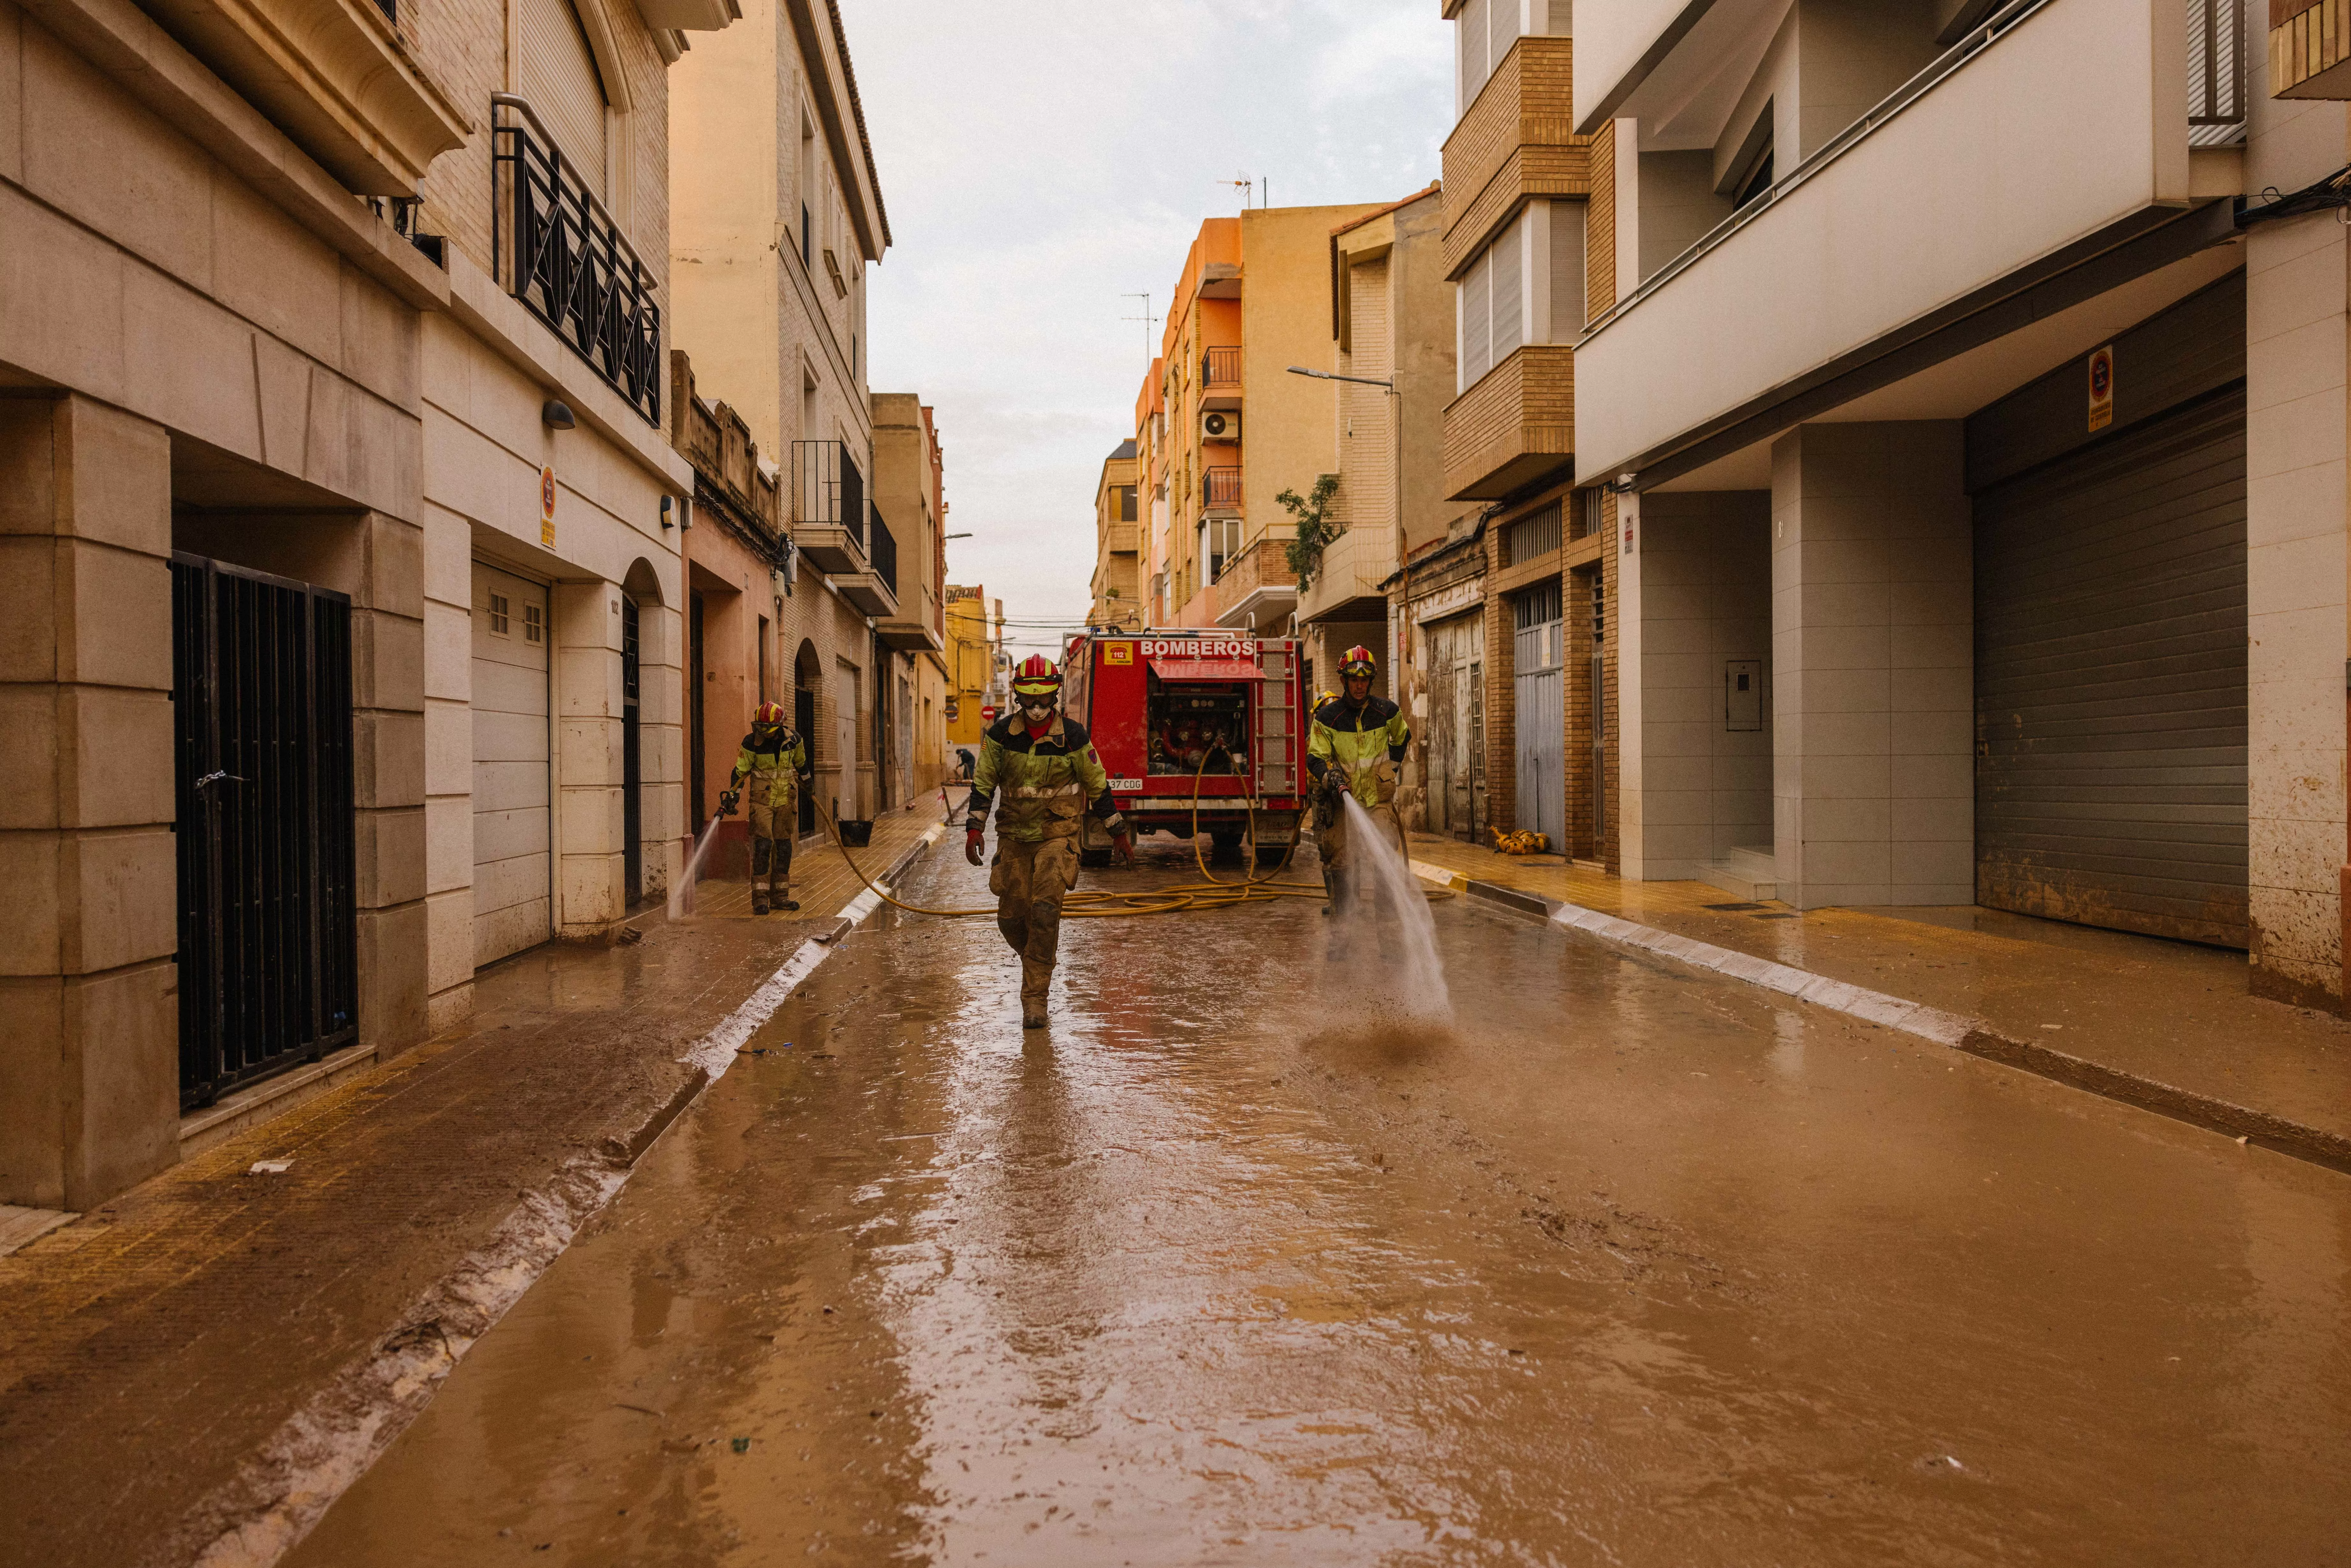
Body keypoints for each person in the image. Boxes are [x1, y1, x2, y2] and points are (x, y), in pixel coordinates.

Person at [964, 654, 1134, 1028]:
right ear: (1018, 698)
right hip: (1013, 838)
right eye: (1030, 701)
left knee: (1044, 910)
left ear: (1055, 696)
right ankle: (1037, 959)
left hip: (1057, 836)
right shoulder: (999, 736)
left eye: (1044, 701)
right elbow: (983, 785)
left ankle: (1035, 998)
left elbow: (1097, 784)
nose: (1038, 708)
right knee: (1011, 917)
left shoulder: (1073, 737)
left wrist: (1117, 831)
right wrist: (974, 828)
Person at [1306, 645, 1411, 914]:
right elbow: (1315, 758)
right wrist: (1330, 778)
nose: (1359, 686)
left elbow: (1402, 738)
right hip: (1343, 802)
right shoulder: (1328, 717)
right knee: (1341, 863)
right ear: (1344, 680)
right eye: (1354, 680)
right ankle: (1343, 939)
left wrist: (1391, 771)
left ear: (1370, 681)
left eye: (1364, 680)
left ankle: (1389, 943)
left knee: (1384, 864)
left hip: (1378, 802)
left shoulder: (1387, 712)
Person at [722, 701, 813, 915]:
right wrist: (733, 795)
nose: (763, 732)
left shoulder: (794, 740)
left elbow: (802, 765)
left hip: (785, 802)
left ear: (780, 726)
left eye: (767, 728)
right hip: (761, 802)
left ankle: (781, 897)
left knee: (783, 849)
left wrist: (809, 785)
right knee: (763, 847)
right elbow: (740, 772)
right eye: (760, 727)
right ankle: (760, 900)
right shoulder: (751, 742)